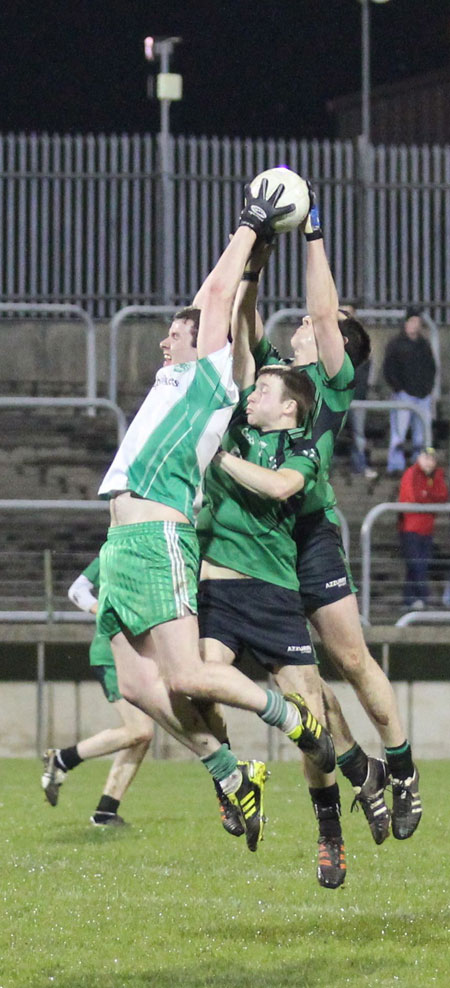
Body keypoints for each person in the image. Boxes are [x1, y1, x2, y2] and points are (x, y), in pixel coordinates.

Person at [93, 179, 334, 854]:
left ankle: (297, 723)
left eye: (179, 328)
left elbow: (218, 297)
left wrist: (251, 226)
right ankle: (232, 774)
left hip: (156, 536)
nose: (169, 333)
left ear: (203, 344)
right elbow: (213, 296)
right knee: (141, 685)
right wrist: (248, 244)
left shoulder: (208, 380)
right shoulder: (173, 382)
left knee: (188, 677)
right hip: (120, 546)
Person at [232, 188, 422, 843]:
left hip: (309, 535)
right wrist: (256, 259)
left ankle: (400, 771)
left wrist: (312, 230)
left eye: (325, 323)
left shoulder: (330, 383)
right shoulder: (272, 378)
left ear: (339, 342)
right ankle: (353, 779)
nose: (310, 321)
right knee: (301, 688)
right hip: (262, 541)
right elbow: (243, 323)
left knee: (350, 658)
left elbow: (320, 307)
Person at [196, 351, 343, 889]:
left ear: (288, 408)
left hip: (277, 594)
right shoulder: (229, 422)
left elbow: (281, 487)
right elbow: (237, 343)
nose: (251, 396)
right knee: (202, 689)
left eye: (262, 392)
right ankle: (233, 783)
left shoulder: (302, 449)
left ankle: (329, 832)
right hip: (217, 590)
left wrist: (220, 458)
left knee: (315, 727)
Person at [41, 557, 153, 826]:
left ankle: (106, 811)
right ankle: (62, 759)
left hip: (139, 655)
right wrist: (103, 610)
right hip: (112, 655)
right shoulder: (115, 550)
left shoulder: (156, 551)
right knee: (141, 730)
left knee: (142, 736)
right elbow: (76, 590)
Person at [383, 306, 436, 475]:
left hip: (422, 395)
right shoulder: (396, 344)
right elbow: (389, 369)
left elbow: (431, 368)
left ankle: (419, 466)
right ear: (406, 323)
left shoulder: (424, 345)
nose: (415, 325)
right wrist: (399, 389)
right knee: (399, 433)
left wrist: (428, 388)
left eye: (418, 322)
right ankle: (396, 466)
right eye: (412, 322)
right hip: (403, 395)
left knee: (421, 435)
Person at [398, 447, 448, 610]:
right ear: (419, 458)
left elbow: (443, 495)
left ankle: (410, 600)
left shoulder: (436, 476)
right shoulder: (412, 473)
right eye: (426, 457)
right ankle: (423, 597)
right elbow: (415, 496)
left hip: (426, 529)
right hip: (410, 528)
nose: (429, 462)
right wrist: (429, 497)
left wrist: (428, 495)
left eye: (432, 459)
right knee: (417, 564)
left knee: (419, 564)